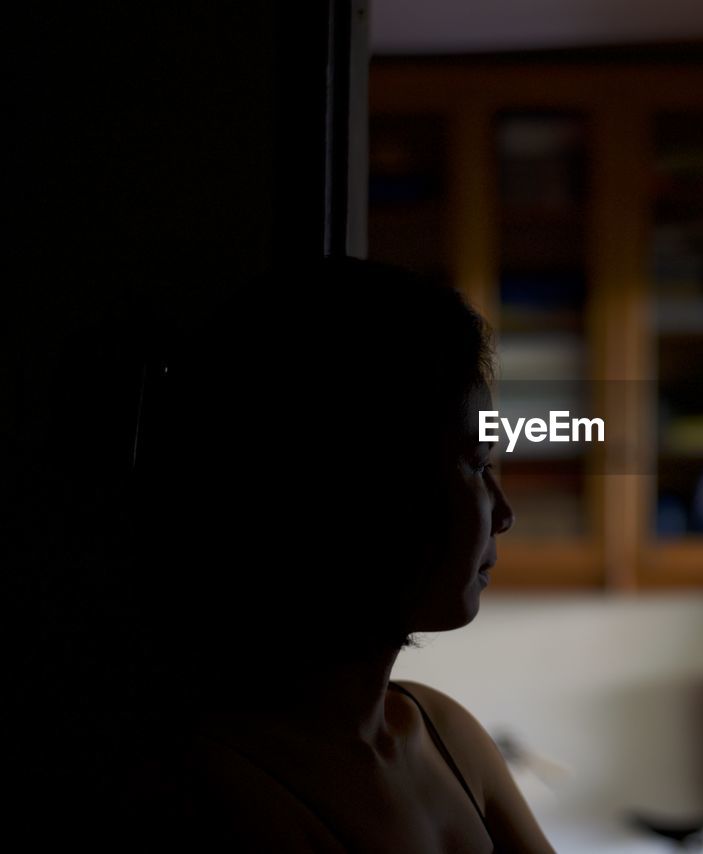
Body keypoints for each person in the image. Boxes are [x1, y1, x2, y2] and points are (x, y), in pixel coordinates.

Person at [124, 256, 554, 853]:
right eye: (478, 466)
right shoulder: (218, 795)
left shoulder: (445, 732)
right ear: (373, 486)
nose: (503, 514)